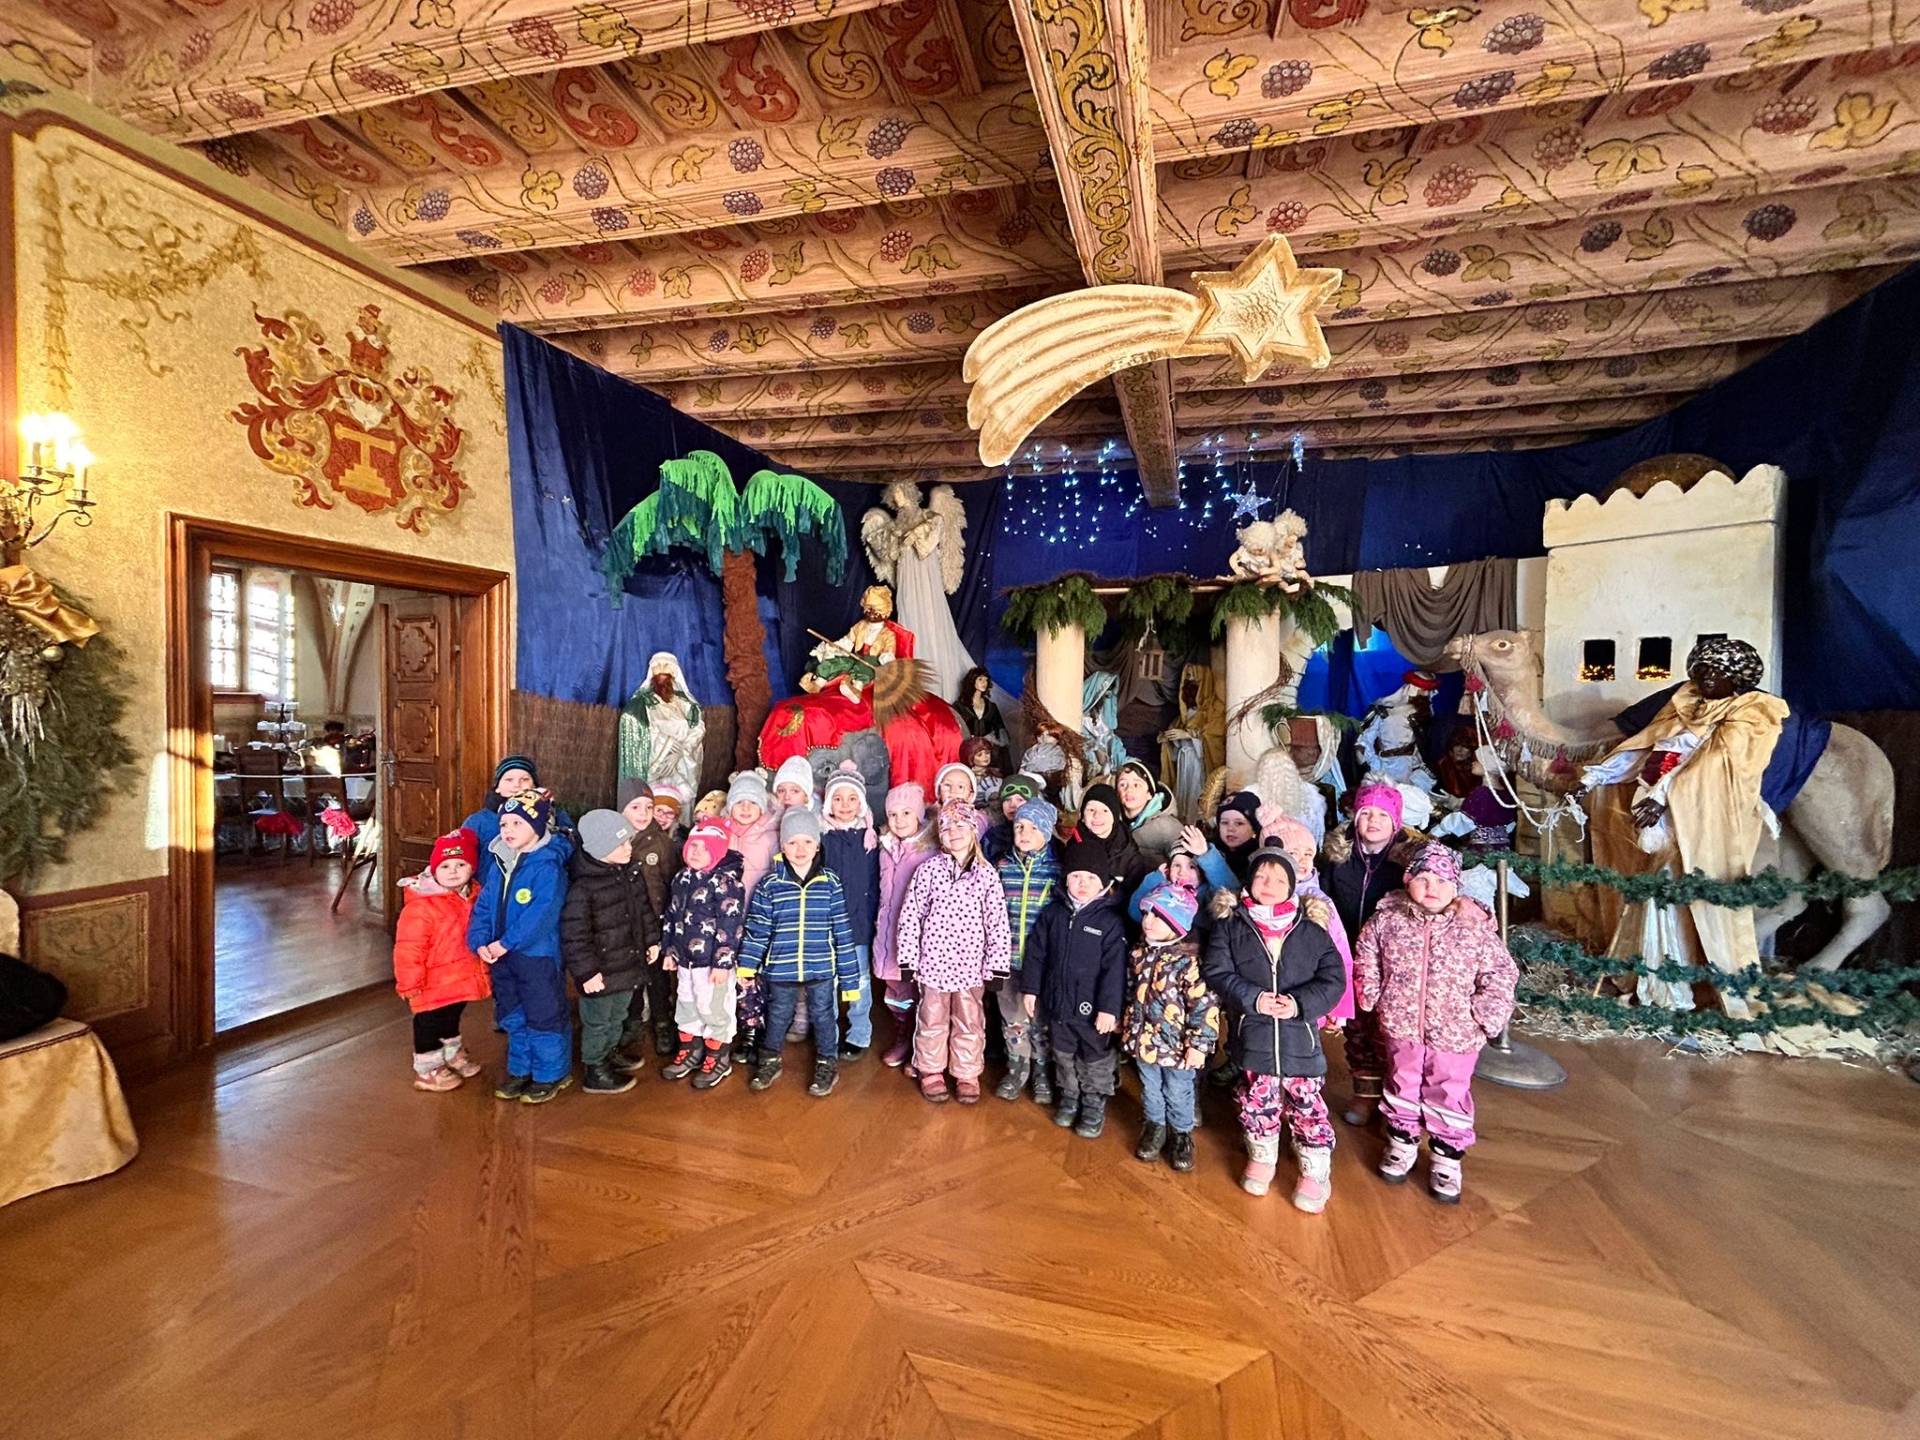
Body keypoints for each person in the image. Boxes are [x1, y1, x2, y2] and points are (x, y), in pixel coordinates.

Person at [1580, 637, 1788, 1010]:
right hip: (1664, 825)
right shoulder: (1683, 707)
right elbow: (1646, 750)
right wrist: (1594, 776)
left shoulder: (1750, 716)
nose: (1707, 678)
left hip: (1702, 827)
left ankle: (1673, 990)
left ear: (1737, 679)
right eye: (1702, 670)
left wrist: (1663, 796)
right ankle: (1650, 983)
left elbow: (1715, 770)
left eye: (1717, 672)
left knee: (1672, 898)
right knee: (1652, 900)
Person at [1353, 844, 1517, 1204]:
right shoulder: (1387, 920)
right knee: (1401, 1081)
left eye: (1442, 882)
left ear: (1455, 887)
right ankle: (1402, 1141)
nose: (1432, 888)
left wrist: (1485, 1016)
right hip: (1401, 1024)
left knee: (1449, 1090)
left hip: (1456, 1032)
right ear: (1408, 880)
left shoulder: (1473, 928)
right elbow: (1366, 954)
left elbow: (1501, 974)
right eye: (1424, 879)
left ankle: (1446, 1155)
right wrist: (1372, 994)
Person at [1202, 849, 1347, 1212]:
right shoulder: (1231, 925)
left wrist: (1299, 1004)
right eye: (1262, 877)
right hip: (1254, 1035)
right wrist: (1252, 998)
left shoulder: (1311, 929)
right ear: (1249, 881)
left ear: (1292, 887)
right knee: (1257, 1098)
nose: (1269, 885)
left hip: (1301, 1040)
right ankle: (1262, 1154)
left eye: (1280, 880)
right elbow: (1217, 971)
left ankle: (1315, 1168)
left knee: (1307, 1104)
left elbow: (1333, 979)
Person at [737, 807, 862, 1098]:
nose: (800, 848)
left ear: (817, 845)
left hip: (821, 968)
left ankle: (827, 1062)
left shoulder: (830, 883)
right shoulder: (770, 885)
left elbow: (842, 933)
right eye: (793, 842)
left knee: (824, 1016)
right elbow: (757, 930)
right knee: (778, 1015)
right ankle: (770, 1060)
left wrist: (850, 981)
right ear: (783, 846)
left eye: (807, 841)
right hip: (781, 968)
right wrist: (747, 966)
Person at [895, 800, 1013, 1103]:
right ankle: (930, 1069)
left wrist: (997, 967)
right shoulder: (927, 871)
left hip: (970, 969)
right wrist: (908, 958)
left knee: (969, 1022)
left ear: (973, 830)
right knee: (931, 1020)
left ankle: (966, 1072)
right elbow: (911, 915)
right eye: (947, 828)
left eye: (961, 825)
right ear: (940, 835)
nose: (954, 832)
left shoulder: (986, 875)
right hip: (932, 966)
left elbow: (997, 923)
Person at [468, 790, 572, 1104]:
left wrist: (506, 942)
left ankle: (550, 1074)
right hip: (502, 957)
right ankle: (520, 1070)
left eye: (517, 823)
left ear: (537, 827)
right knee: (513, 1014)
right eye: (504, 824)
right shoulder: (499, 863)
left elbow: (541, 915)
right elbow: (484, 906)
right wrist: (480, 941)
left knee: (544, 1014)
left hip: (536, 957)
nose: (508, 830)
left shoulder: (548, 866)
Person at [1021, 839, 1129, 1139]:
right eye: (1076, 876)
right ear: (1066, 878)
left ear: (1104, 883)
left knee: (1094, 1057)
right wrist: (1031, 989)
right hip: (1058, 1005)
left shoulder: (1110, 922)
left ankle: (1094, 1102)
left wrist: (1109, 1009)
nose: (1082, 884)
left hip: (1093, 1011)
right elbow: (1037, 954)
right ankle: (1070, 1096)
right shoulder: (1053, 914)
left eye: (1091, 878)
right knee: (1063, 1053)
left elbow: (1115, 971)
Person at [1321, 779, 1407, 1126]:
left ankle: (1396, 1097)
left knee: (1390, 1030)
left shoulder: (1408, 861)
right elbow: (1322, 899)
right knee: (1357, 1029)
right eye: (1366, 813)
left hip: (1391, 960)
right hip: (1347, 954)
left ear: (1395, 822)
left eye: (1382, 815)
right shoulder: (1336, 856)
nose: (1373, 821)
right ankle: (1365, 1093)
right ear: (1355, 818)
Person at [560, 809, 659, 1096]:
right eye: (620, 843)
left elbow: (644, 911)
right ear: (599, 848)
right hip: (600, 972)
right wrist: (587, 973)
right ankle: (595, 1068)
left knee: (618, 1015)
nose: (629, 848)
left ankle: (609, 1052)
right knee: (598, 1021)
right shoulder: (583, 888)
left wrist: (651, 941)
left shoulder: (630, 874)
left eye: (628, 841)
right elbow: (575, 935)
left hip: (627, 963)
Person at [1124, 884, 1218, 1174]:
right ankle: (1155, 1125)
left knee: (1178, 1090)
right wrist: (1124, 1021)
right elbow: (1130, 991)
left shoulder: (1190, 964)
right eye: (1146, 914)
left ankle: (1181, 1133)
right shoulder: (1138, 953)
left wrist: (1198, 1045)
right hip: (1144, 1042)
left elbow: (1205, 1008)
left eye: (1158, 917)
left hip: (1177, 1047)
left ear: (1176, 924)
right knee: (1150, 1088)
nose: (1148, 921)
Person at [392, 828, 488, 1093]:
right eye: (445, 866)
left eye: (461, 865)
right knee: (428, 1021)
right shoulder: (421, 906)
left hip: (460, 975)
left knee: (452, 1016)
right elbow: (408, 948)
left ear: (472, 868)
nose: (453, 871)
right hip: (430, 980)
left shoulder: (473, 896)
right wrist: (409, 982)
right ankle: (428, 1068)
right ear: (434, 869)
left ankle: (451, 1053)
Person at [659, 818, 746, 1090]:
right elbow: (671, 916)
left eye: (704, 848)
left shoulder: (726, 884)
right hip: (685, 961)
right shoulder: (681, 878)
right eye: (692, 846)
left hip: (712, 965)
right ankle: (691, 1049)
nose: (696, 852)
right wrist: (669, 950)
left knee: (714, 1008)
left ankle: (718, 1056)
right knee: (686, 1003)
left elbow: (730, 927)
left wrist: (722, 963)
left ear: (718, 851)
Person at [994, 796, 1060, 1105]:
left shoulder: (1056, 871)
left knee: (1040, 1019)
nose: (1024, 833)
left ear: (1046, 832)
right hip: (1007, 959)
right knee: (1012, 1017)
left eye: (1033, 828)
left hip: (1042, 963)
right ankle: (1017, 1067)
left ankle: (1042, 1070)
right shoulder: (1003, 867)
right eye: (1020, 826)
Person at [819, 765, 880, 1061]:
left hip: (858, 923)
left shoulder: (870, 839)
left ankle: (858, 1032)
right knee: (827, 981)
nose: (845, 805)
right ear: (828, 803)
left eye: (852, 798)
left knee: (857, 980)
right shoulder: (822, 837)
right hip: (828, 923)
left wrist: (872, 919)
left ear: (861, 803)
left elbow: (876, 882)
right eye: (838, 798)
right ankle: (827, 1032)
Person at [874, 783, 936, 1067]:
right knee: (896, 990)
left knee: (922, 994)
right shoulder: (884, 847)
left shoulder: (931, 850)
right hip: (888, 932)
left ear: (919, 815)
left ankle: (920, 1048)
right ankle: (903, 1035)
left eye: (906, 813)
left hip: (919, 935)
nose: (899, 820)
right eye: (893, 814)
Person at [619, 781, 682, 1060]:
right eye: (635, 807)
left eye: (648, 807)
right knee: (630, 973)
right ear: (621, 809)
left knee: (657, 977)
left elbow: (671, 882)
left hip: (654, 922)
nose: (643, 814)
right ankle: (633, 1021)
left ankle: (662, 1022)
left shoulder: (662, 843)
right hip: (624, 923)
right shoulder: (615, 839)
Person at [726, 770, 780, 1062]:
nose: (745, 808)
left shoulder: (772, 836)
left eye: (752, 803)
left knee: (760, 974)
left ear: (762, 806)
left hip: (760, 918)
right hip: (729, 920)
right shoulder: (722, 834)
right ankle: (743, 1027)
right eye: (739, 802)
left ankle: (761, 1029)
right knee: (740, 975)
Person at [462, 754, 574, 886]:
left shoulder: (555, 814)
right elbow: (462, 857)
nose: (517, 785)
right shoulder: (478, 821)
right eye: (509, 780)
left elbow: (569, 845)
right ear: (497, 787)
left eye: (524, 779)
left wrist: (547, 817)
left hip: (537, 886)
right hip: (489, 888)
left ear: (534, 786)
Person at [617, 651, 706, 804]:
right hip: (656, 766)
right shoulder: (642, 704)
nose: (662, 669)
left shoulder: (686, 704)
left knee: (678, 803)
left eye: (666, 665)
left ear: (675, 671)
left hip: (681, 764)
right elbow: (640, 729)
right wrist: (668, 745)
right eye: (657, 666)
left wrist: (682, 751)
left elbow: (697, 729)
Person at [1073, 781, 1148, 894]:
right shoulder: (1074, 846)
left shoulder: (1128, 853)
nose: (1097, 815)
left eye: (1105, 810)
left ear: (1115, 816)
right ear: (1082, 816)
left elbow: (1137, 894)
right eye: (1091, 810)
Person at [1114, 759, 1182, 866]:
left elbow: (1187, 865)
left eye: (1136, 785)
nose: (1129, 790)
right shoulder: (1113, 824)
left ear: (1149, 793)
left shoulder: (1167, 827)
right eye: (1122, 784)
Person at [982, 772, 1042, 863]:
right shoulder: (992, 837)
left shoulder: (1044, 836)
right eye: (1007, 800)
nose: (1012, 805)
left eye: (1020, 800)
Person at [1211, 790, 1263, 886]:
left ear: (1254, 829)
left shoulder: (1259, 859)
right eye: (1224, 822)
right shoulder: (1210, 848)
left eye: (1239, 823)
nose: (1230, 829)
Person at [954, 666, 1007, 751]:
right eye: (980, 679)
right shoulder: (959, 706)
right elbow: (954, 730)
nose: (984, 683)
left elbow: (1000, 728)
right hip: (967, 749)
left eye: (986, 680)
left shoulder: (991, 707)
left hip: (988, 750)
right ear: (972, 680)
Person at [961, 734, 1003, 808]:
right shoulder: (964, 776)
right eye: (979, 755)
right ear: (970, 757)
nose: (985, 757)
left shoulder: (994, 776)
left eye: (987, 753)